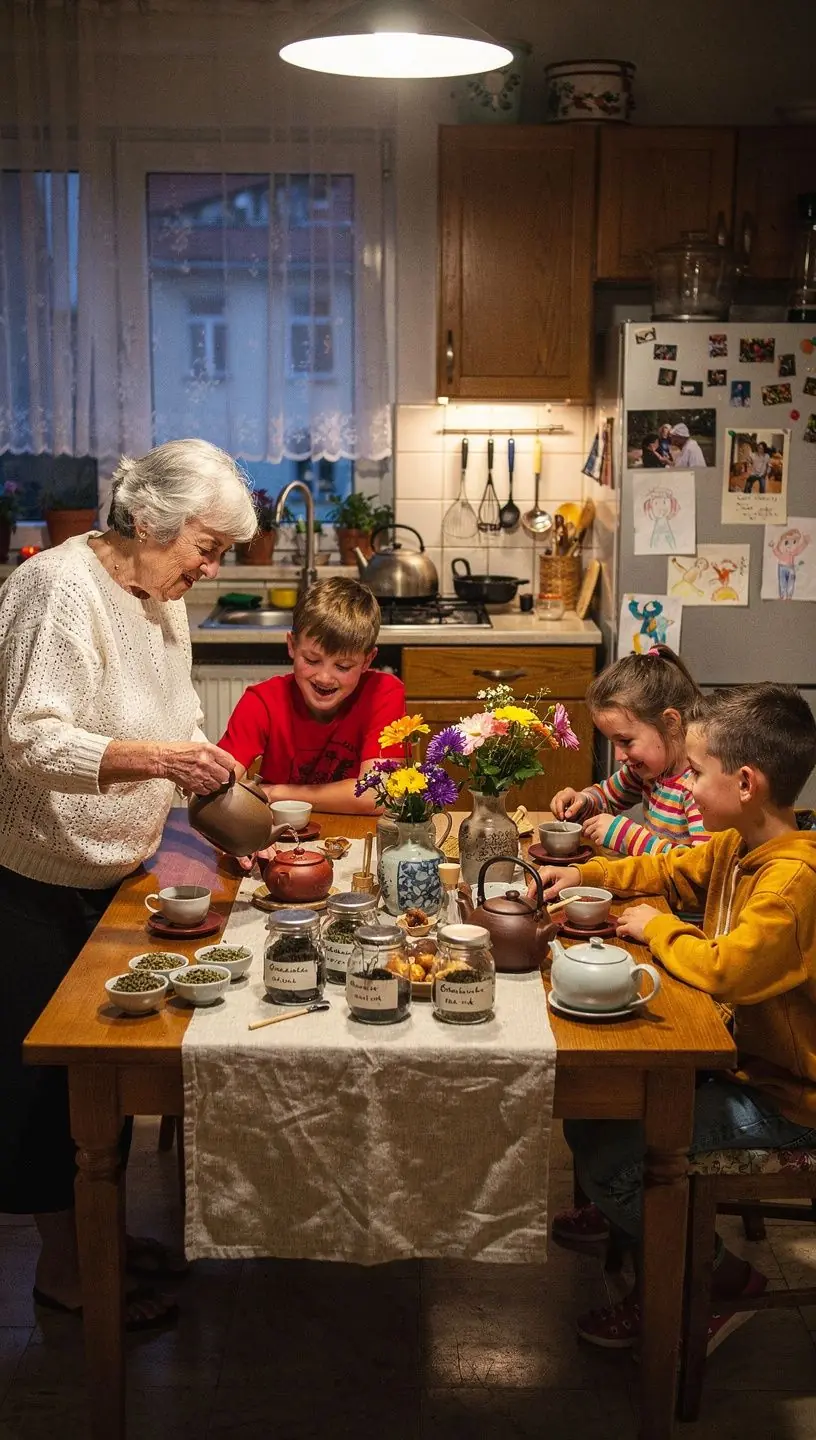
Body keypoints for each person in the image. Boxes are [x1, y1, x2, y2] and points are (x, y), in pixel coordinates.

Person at [0, 438, 256, 1328]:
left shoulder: (159, 597)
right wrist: (155, 758)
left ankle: (102, 1239)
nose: (210, 566)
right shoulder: (58, 588)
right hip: (34, 875)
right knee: (46, 1092)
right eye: (206, 546)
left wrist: (214, 785)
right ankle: (67, 1275)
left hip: (114, 871)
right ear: (147, 520)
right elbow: (29, 741)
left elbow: (179, 715)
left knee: (103, 1076)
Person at [538, 684, 816, 1352]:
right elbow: (671, 870)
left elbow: (729, 970)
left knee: (614, 1156)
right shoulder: (734, 844)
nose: (684, 788)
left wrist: (658, 927)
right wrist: (587, 878)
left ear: (745, 782)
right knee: (596, 1111)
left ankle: (711, 1279)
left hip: (789, 1096)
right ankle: (642, 1231)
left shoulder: (793, 881)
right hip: (745, 1064)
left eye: (695, 773)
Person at [547, 644, 711, 1247]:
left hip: (690, 934)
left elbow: (698, 868)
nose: (622, 756)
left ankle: (628, 1200)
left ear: (671, 724)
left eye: (626, 740)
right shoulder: (651, 768)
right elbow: (612, 790)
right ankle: (609, 1197)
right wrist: (585, 800)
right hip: (654, 917)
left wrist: (625, 834)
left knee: (619, 1044)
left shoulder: (697, 784)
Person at [218, 576, 405, 817]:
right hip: (279, 836)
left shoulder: (384, 692)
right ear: (292, 646)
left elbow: (377, 795)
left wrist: (273, 792)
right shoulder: (261, 702)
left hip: (358, 834)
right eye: (312, 660)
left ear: (367, 660)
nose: (325, 678)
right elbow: (220, 787)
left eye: (344, 666)